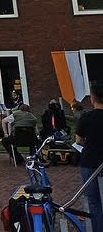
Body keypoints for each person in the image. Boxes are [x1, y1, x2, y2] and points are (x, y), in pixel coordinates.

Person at [75, 81, 103, 232]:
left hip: (90, 161)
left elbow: (78, 140)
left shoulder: (86, 117)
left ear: (93, 98)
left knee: (93, 200)